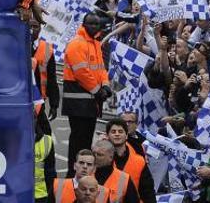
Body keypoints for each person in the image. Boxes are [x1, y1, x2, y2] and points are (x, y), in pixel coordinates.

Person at [63, 12, 111, 176]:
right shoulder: (77, 43)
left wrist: (106, 85)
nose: (95, 27)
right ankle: (72, 174)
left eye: (97, 24)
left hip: (90, 102)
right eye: (91, 24)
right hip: (78, 101)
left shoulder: (95, 43)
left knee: (85, 140)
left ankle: (82, 174)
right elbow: (81, 72)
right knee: (78, 141)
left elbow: (101, 68)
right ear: (84, 25)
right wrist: (98, 91)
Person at [105, 119, 155, 203]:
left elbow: (148, 192)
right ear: (107, 136)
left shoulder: (139, 161)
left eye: (120, 131)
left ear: (126, 135)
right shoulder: (100, 159)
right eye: (113, 132)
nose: (117, 134)